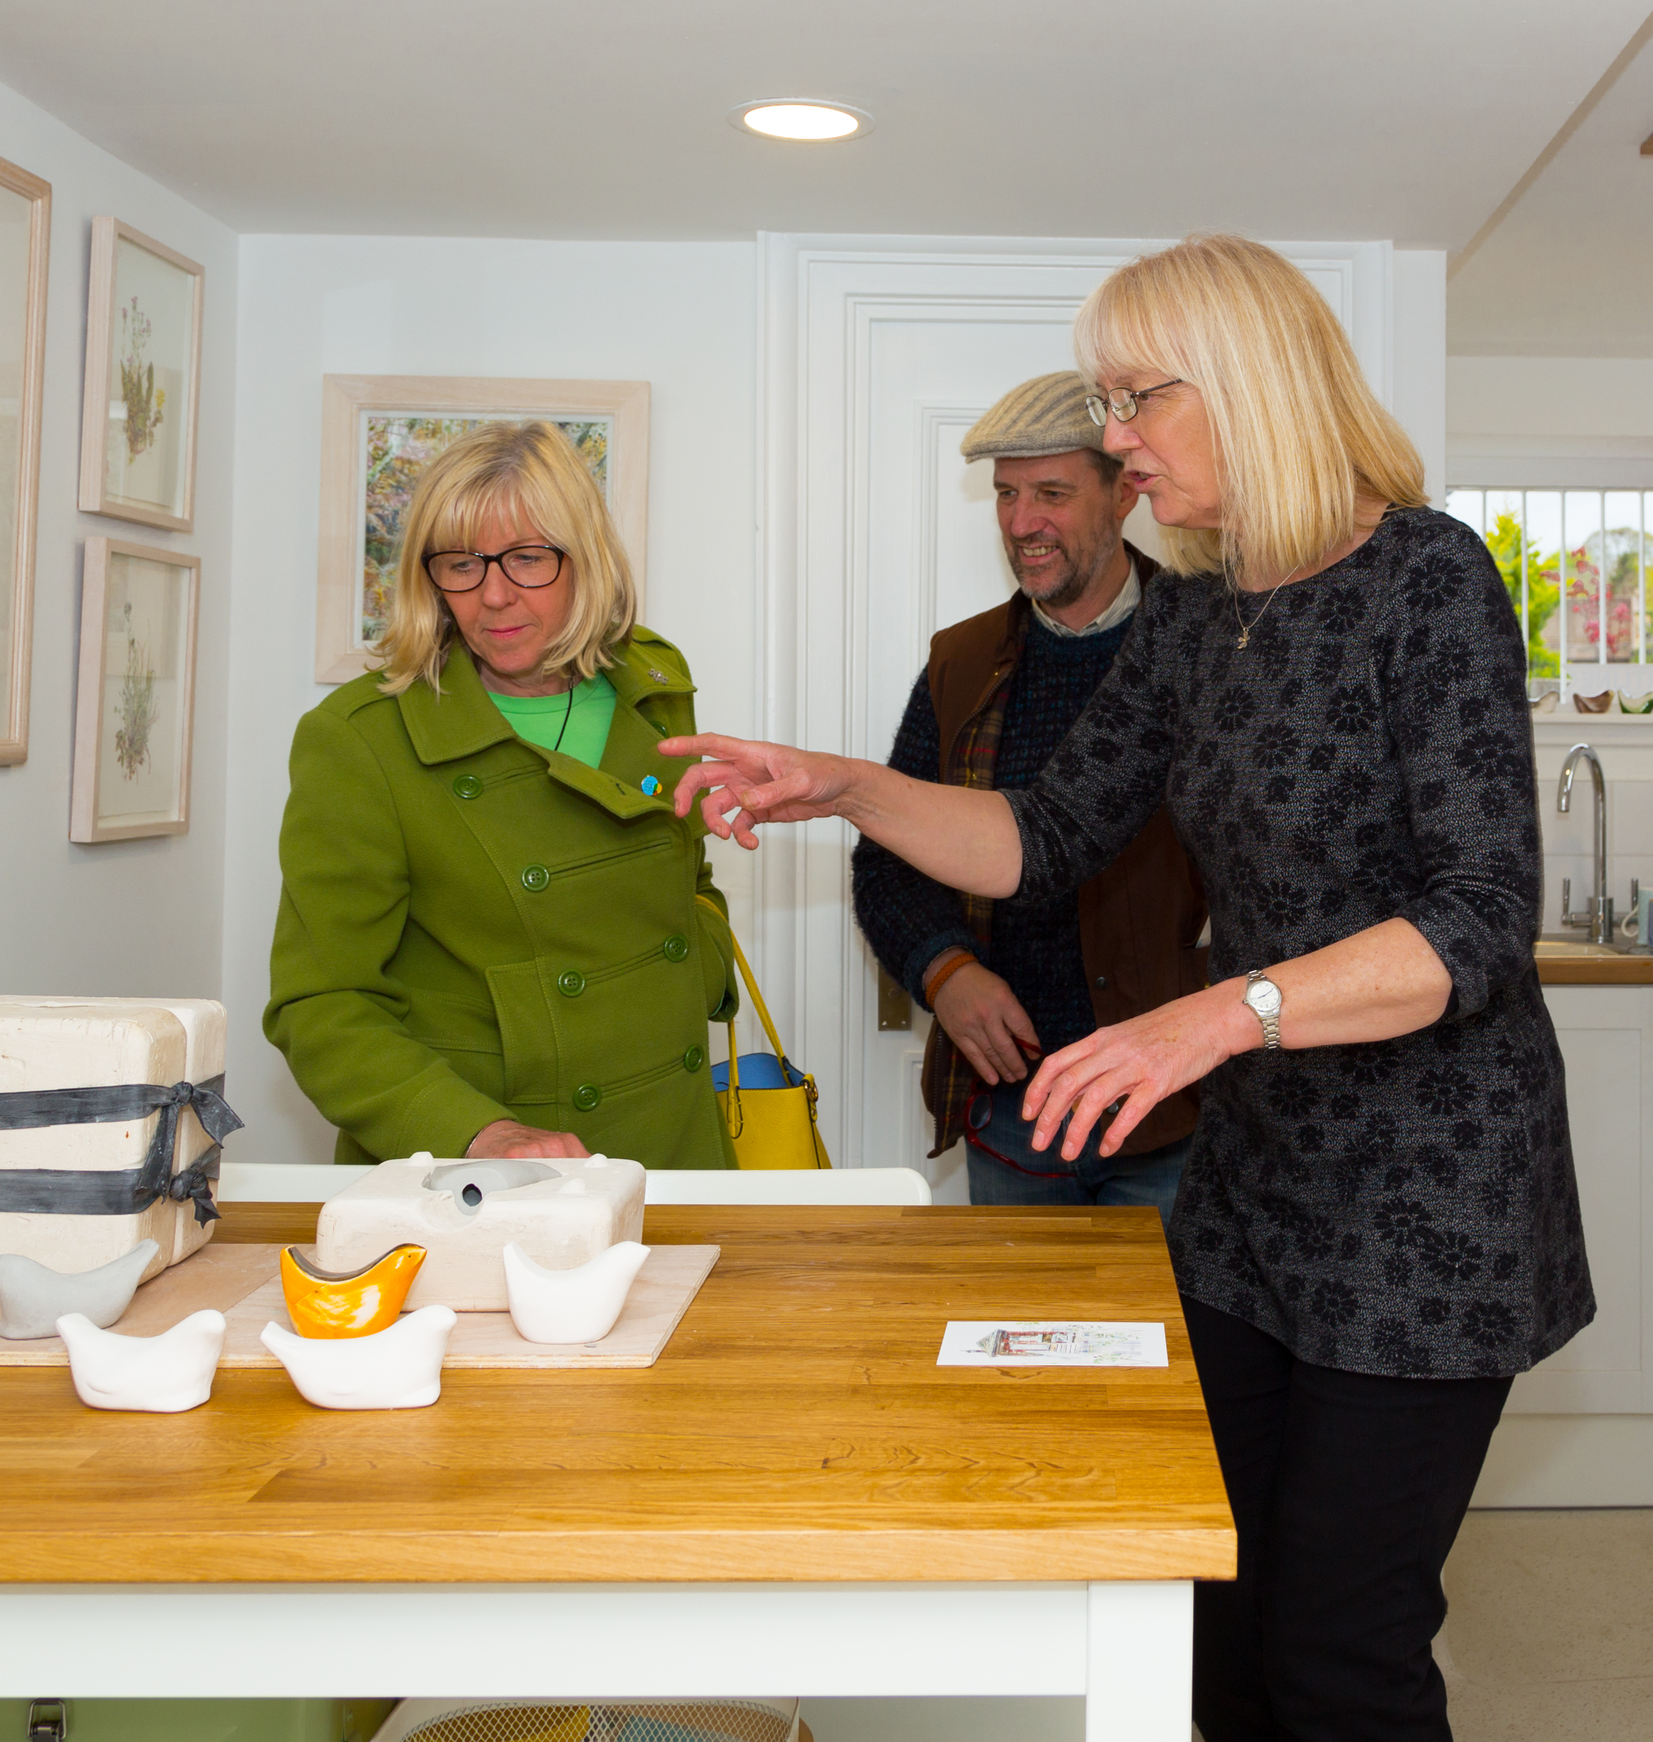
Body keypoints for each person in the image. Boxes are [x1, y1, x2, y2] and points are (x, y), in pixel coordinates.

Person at [663, 235, 1592, 1742]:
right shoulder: (1193, 619)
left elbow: (1480, 919)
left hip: (1429, 1193)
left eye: (1132, 399)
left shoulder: (1427, 578)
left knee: (1342, 1651)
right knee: (1214, 1615)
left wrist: (1217, 1011)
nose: (1112, 440)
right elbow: (1037, 838)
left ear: (1250, 384)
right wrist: (841, 785)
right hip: (1258, 1184)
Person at [266, 419, 736, 1167]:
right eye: (461, 564)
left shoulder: (653, 680)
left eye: (527, 559)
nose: (492, 596)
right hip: (481, 1173)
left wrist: (700, 959)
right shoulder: (362, 738)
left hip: (671, 1146)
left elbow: (690, 876)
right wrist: (478, 1134)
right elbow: (323, 1004)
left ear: (585, 560)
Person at [851, 372, 1209, 1214]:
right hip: (1015, 1112)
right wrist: (944, 974)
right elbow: (886, 864)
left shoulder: (1211, 644)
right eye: (1007, 495)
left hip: (1184, 1112)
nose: (1021, 523)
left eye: (1051, 492)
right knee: (1016, 1345)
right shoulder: (961, 663)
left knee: (1182, 1347)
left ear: (1125, 492)